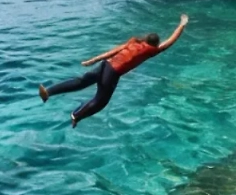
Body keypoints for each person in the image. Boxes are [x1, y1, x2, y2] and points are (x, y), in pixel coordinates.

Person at [38, 14, 189, 128]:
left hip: (105, 65)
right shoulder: (152, 51)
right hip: (112, 72)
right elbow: (171, 40)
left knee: (81, 82)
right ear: (155, 44)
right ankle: (76, 115)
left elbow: (113, 51)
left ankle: (48, 92)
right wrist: (182, 24)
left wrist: (93, 60)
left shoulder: (134, 43)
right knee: (101, 101)